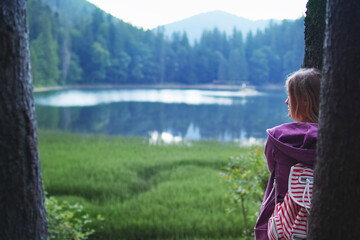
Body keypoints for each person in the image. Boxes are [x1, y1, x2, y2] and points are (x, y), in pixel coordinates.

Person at [254, 68, 321, 240]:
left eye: (290, 96)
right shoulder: (334, 138)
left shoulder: (277, 138)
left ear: (304, 101)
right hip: (322, 217)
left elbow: (272, 169)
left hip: (281, 221)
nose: (286, 102)